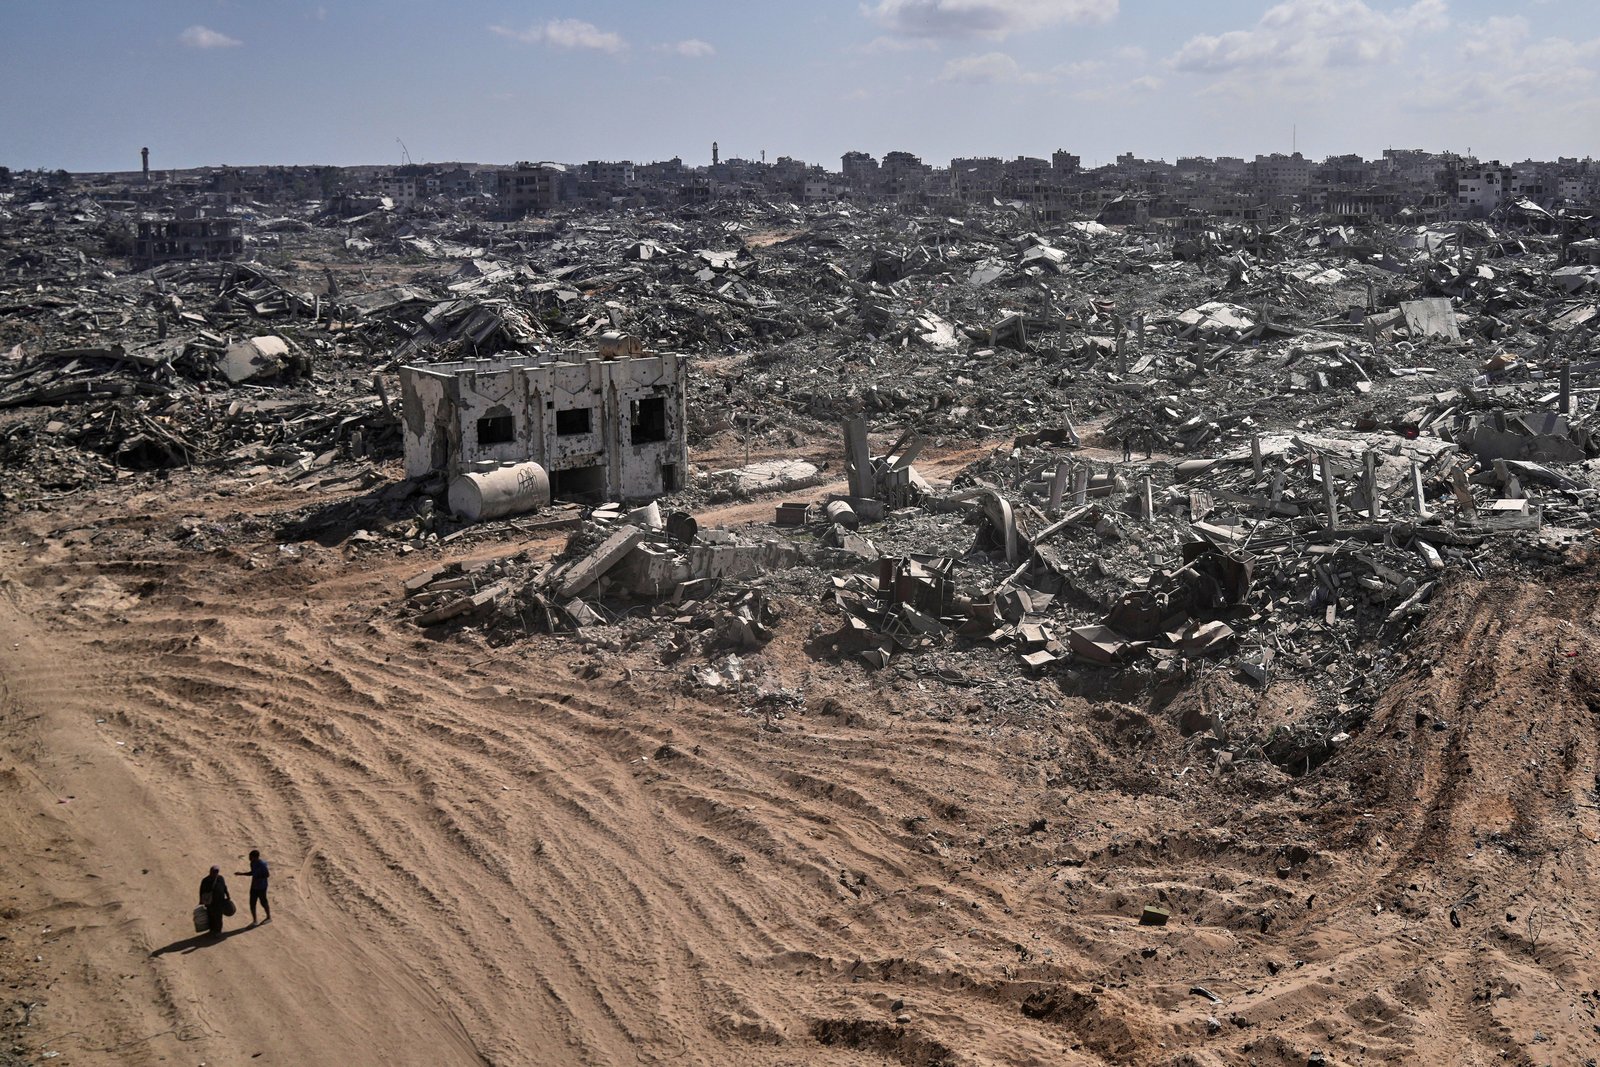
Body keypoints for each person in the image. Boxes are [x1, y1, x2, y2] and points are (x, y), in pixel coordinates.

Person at [236, 850, 270, 925]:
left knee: (263, 902)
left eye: (250, 857)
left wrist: (258, 877)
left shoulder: (262, 864)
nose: (249, 858)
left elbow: (267, 875)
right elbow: (252, 873)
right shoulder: (252, 863)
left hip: (262, 887)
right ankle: (255, 920)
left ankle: (268, 917)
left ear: (255, 857)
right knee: (252, 903)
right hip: (254, 886)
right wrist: (241, 874)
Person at [198, 866, 231, 938]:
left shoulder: (220, 878)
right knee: (211, 916)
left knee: (219, 917)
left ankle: (218, 931)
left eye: (216, 872)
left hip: (219, 902)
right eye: (213, 872)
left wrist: (228, 895)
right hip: (210, 903)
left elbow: (224, 887)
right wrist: (201, 900)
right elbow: (201, 891)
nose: (215, 873)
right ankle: (212, 929)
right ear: (210, 872)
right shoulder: (205, 880)